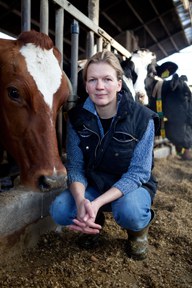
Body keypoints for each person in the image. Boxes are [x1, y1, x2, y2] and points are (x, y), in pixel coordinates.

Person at [50, 50, 159, 260]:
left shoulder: (143, 118)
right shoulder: (76, 119)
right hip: (94, 183)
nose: (99, 87)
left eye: (107, 79)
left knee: (131, 212)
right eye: (92, 80)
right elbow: (75, 167)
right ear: (86, 85)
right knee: (61, 210)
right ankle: (94, 220)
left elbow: (139, 173)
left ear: (119, 84)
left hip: (132, 187)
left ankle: (137, 233)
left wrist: (97, 202)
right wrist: (82, 200)